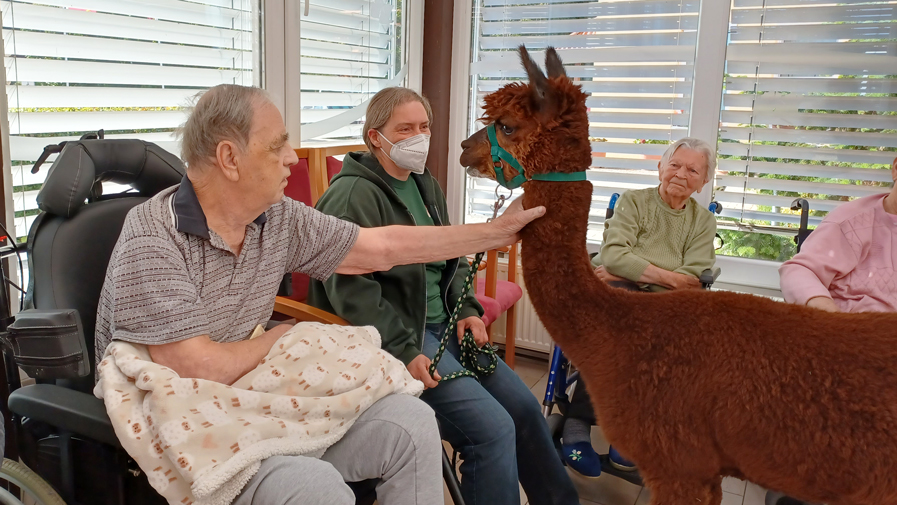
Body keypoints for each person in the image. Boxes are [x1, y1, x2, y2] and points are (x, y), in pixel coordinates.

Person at [94, 84, 545, 505]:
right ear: (229, 158)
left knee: (411, 423)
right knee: (315, 487)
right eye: (277, 146)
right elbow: (197, 366)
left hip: (250, 388)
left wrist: (494, 232)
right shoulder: (152, 236)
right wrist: (278, 338)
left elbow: (380, 248)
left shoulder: (278, 218)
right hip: (189, 413)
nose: (292, 158)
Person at [308, 87, 579, 505]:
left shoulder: (424, 183)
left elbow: (448, 257)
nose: (419, 136)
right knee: (491, 431)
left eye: (424, 126)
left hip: (445, 323)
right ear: (375, 136)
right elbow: (350, 292)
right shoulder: (349, 197)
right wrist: (402, 349)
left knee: (524, 412)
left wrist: (468, 309)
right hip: (400, 334)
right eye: (405, 128)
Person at [564, 137, 719, 477]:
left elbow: (692, 276)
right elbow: (614, 255)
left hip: (665, 305)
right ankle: (576, 425)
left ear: (704, 181)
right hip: (627, 297)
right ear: (660, 167)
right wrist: (669, 278)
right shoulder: (635, 203)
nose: (681, 174)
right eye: (675, 164)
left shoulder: (703, 222)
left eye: (693, 169)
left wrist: (638, 271)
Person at [779, 156, 897, 313]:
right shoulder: (851, 222)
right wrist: (831, 316)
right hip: (851, 329)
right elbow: (798, 272)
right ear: (896, 168)